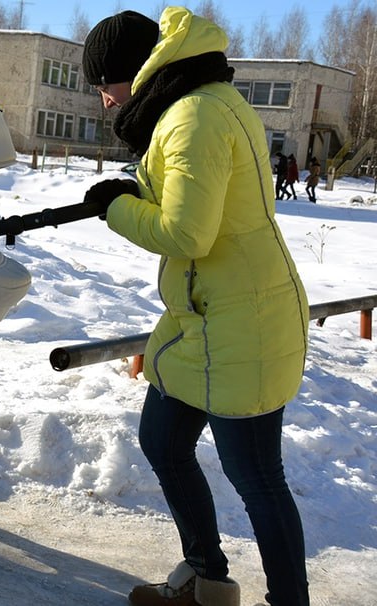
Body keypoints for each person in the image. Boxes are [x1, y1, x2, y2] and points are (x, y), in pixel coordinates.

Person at [81, 7, 311, 606]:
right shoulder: (191, 104)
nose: (104, 102)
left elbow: (188, 235)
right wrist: (135, 193)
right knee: (162, 440)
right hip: (205, 319)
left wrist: (117, 207)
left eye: (103, 84)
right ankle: (207, 579)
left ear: (132, 73)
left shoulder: (193, 116)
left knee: (258, 478)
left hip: (244, 323)